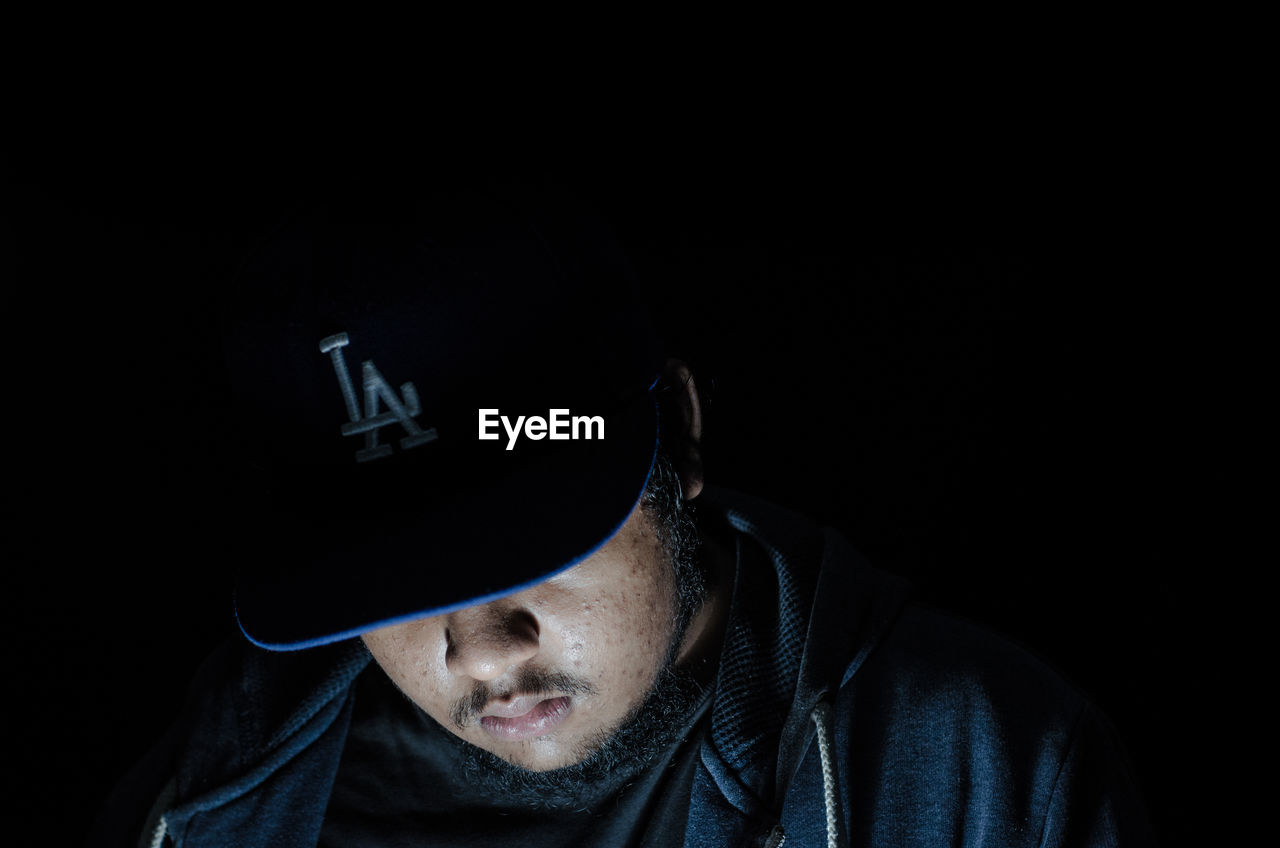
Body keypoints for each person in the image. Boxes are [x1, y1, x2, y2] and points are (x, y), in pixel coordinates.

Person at [87, 174, 1156, 847]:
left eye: (522, 539)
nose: (479, 648)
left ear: (675, 435)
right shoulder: (199, 796)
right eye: (391, 578)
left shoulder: (986, 777)